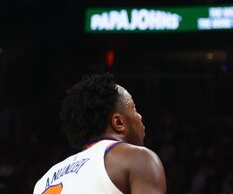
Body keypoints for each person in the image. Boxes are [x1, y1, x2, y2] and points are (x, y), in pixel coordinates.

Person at [33, 73, 166, 194]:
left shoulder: (43, 182)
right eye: (134, 109)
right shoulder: (138, 158)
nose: (140, 116)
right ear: (118, 122)